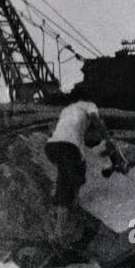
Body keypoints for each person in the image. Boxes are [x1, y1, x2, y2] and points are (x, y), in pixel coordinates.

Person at [45, 100, 111, 238]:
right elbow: (97, 121)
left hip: (52, 147)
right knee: (77, 178)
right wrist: (107, 139)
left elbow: (59, 130)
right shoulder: (90, 106)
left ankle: (58, 228)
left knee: (64, 180)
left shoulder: (67, 109)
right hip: (68, 147)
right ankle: (72, 214)